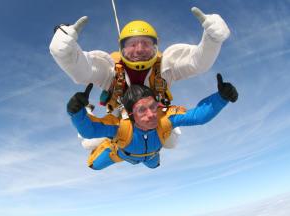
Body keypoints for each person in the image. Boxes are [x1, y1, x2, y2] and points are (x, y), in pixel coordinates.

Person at [50, 7, 230, 149]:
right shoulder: (110, 69)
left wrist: (212, 40)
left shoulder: (166, 66)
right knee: (89, 143)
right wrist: (64, 52)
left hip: (152, 112)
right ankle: (90, 114)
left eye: (146, 44)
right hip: (120, 113)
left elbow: (197, 63)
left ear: (156, 47)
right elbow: (83, 71)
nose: (139, 50)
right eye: (132, 44)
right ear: (121, 49)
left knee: (171, 143)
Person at [67, 74, 238, 170]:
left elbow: (198, 117)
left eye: (153, 106)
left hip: (152, 155)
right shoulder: (121, 126)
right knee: (92, 165)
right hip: (119, 154)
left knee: (154, 165)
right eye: (142, 110)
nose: (151, 114)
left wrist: (221, 98)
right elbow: (89, 131)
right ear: (131, 115)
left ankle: (149, 159)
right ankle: (92, 117)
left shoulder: (165, 118)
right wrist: (76, 111)